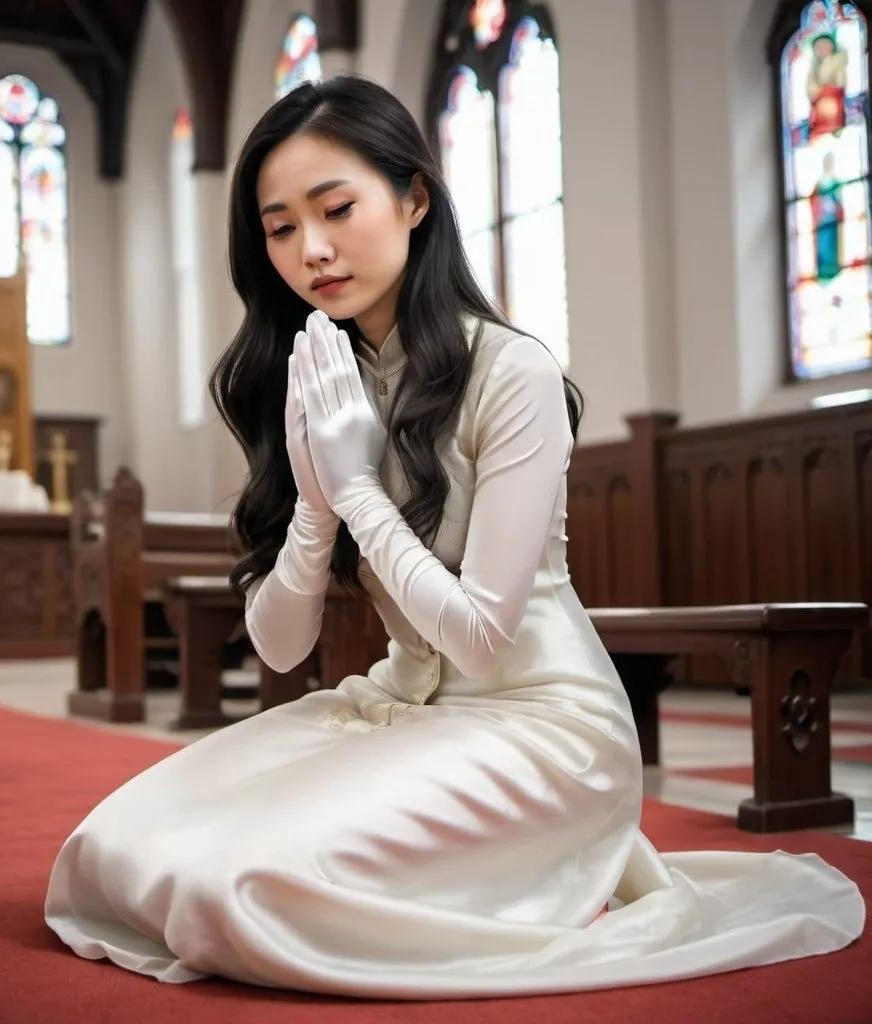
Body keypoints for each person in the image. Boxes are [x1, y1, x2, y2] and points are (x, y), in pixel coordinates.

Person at [45, 76, 863, 999]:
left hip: (544, 728)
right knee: (113, 849)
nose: (311, 249)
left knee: (231, 888)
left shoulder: (511, 373)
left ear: (415, 197)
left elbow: (479, 635)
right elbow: (281, 645)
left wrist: (356, 491)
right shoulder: (318, 375)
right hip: (405, 709)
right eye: (279, 228)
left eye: (336, 208)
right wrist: (315, 502)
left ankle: (527, 863)